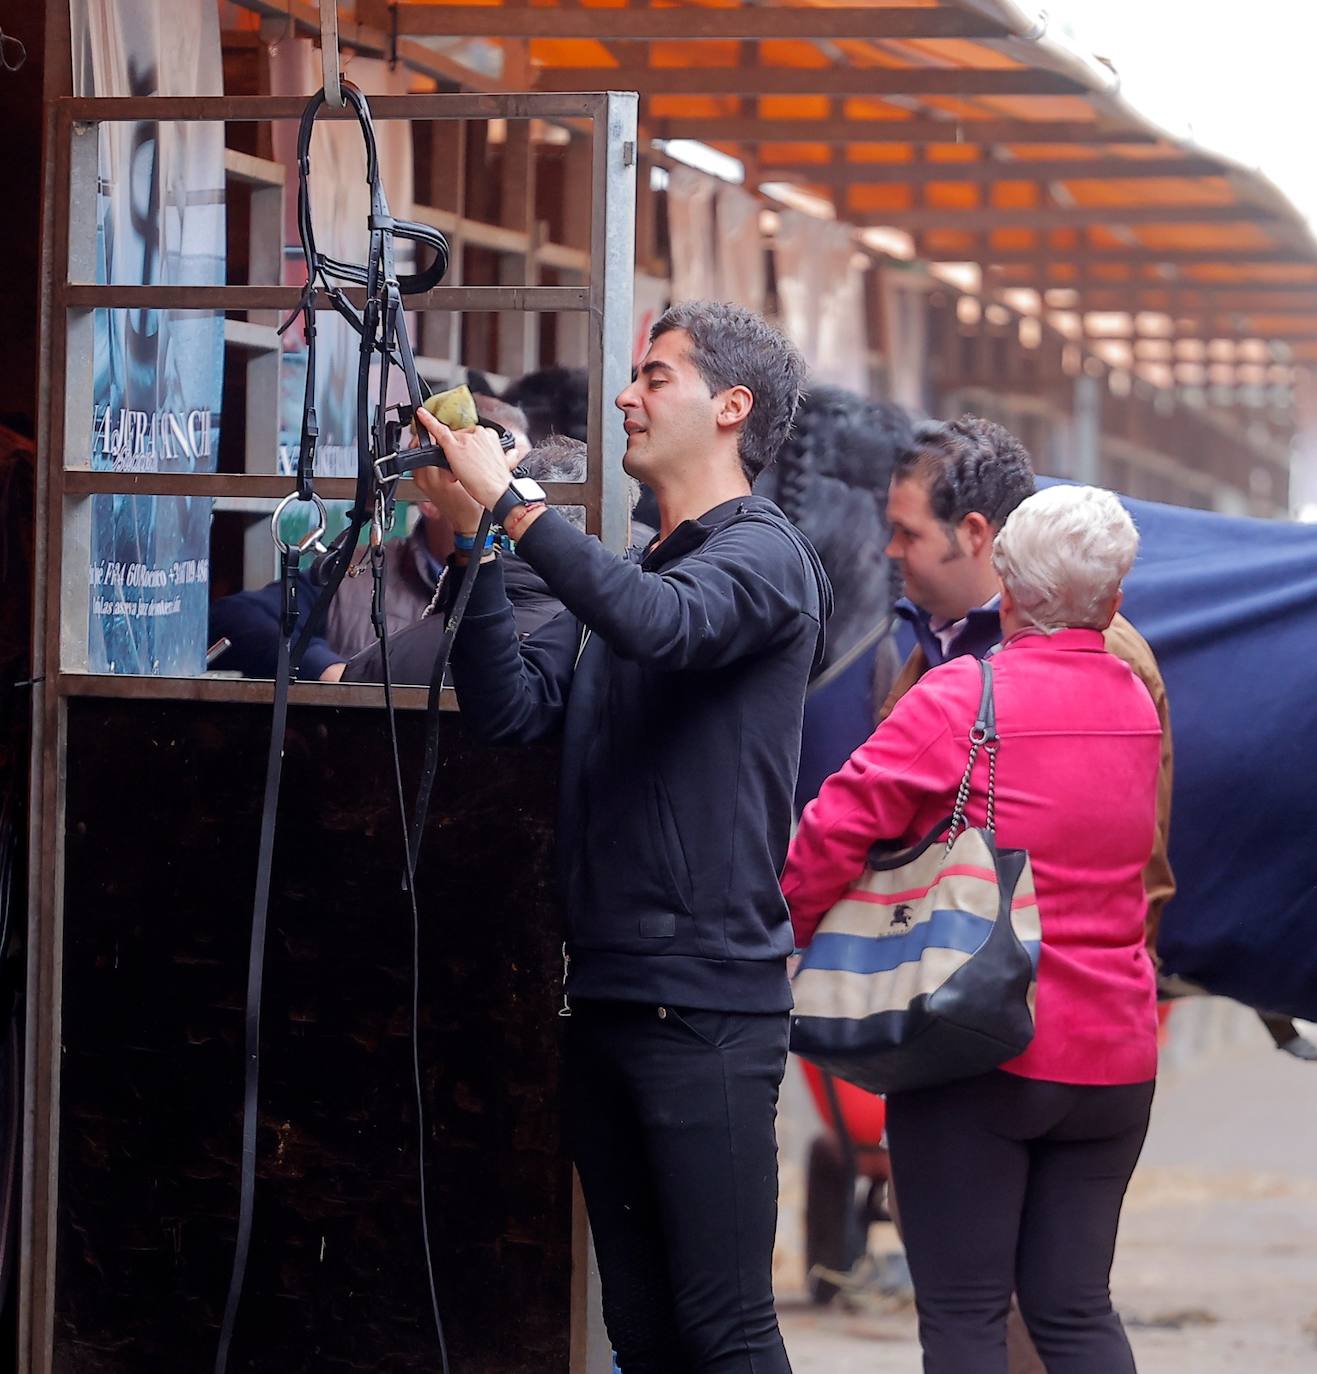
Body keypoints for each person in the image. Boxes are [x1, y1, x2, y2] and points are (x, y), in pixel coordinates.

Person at [412, 300, 831, 1374]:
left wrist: (514, 506)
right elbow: (511, 711)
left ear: (732, 408)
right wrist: (474, 551)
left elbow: (665, 630)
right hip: (605, 989)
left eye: (656, 376)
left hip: (707, 1005)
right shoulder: (640, 573)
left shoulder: (765, 560)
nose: (626, 396)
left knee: (726, 1331)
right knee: (642, 1335)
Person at [782, 484, 1161, 1374]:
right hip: (1113, 1062)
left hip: (980, 1042)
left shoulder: (960, 698)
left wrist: (787, 936)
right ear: (1111, 600)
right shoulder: (1136, 706)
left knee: (963, 1316)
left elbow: (834, 826)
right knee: (1074, 1314)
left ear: (1007, 587)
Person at [880, 416, 1176, 947]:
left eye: (909, 533)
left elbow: (1134, 875)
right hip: (938, 979)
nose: (891, 551)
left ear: (973, 533)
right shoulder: (933, 641)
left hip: (1035, 995)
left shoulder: (1112, 660)